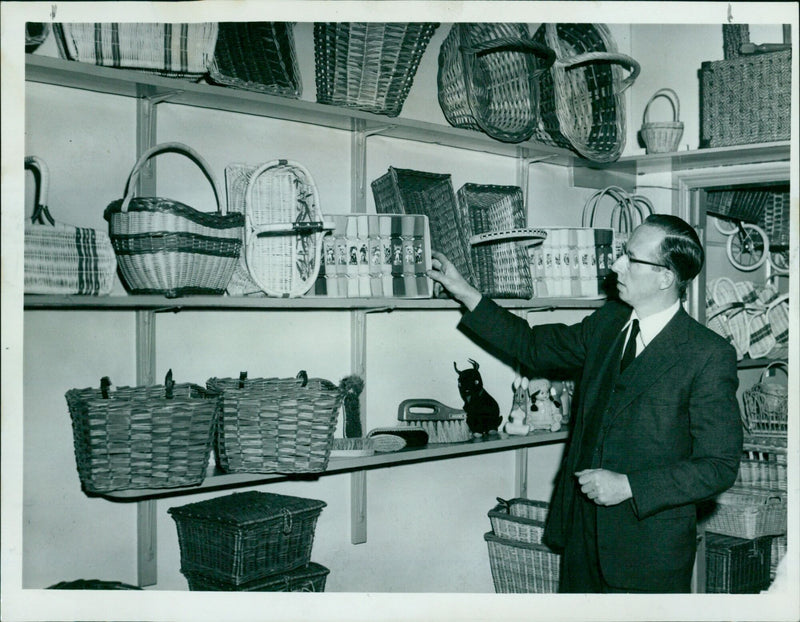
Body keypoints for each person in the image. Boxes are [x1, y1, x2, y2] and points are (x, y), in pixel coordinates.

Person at [428, 214, 742, 593]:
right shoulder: (610, 322)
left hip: (646, 554)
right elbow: (533, 346)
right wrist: (466, 293)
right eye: (621, 254)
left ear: (665, 277)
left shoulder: (707, 354)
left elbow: (719, 466)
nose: (616, 265)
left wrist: (630, 486)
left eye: (631, 258)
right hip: (582, 537)